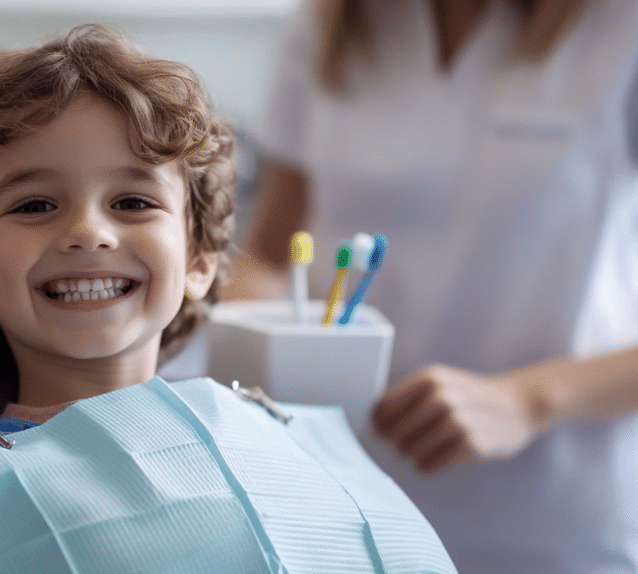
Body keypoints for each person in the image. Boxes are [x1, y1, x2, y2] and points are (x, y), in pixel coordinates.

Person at [0, 25, 456, 574]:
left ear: (197, 261)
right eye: (34, 205)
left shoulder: (279, 432)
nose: (89, 231)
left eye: (133, 202)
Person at [226, 0, 638, 572]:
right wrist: (260, 352)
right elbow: (271, 256)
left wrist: (525, 400)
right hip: (334, 501)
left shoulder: (620, 28)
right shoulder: (329, 27)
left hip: (550, 515)